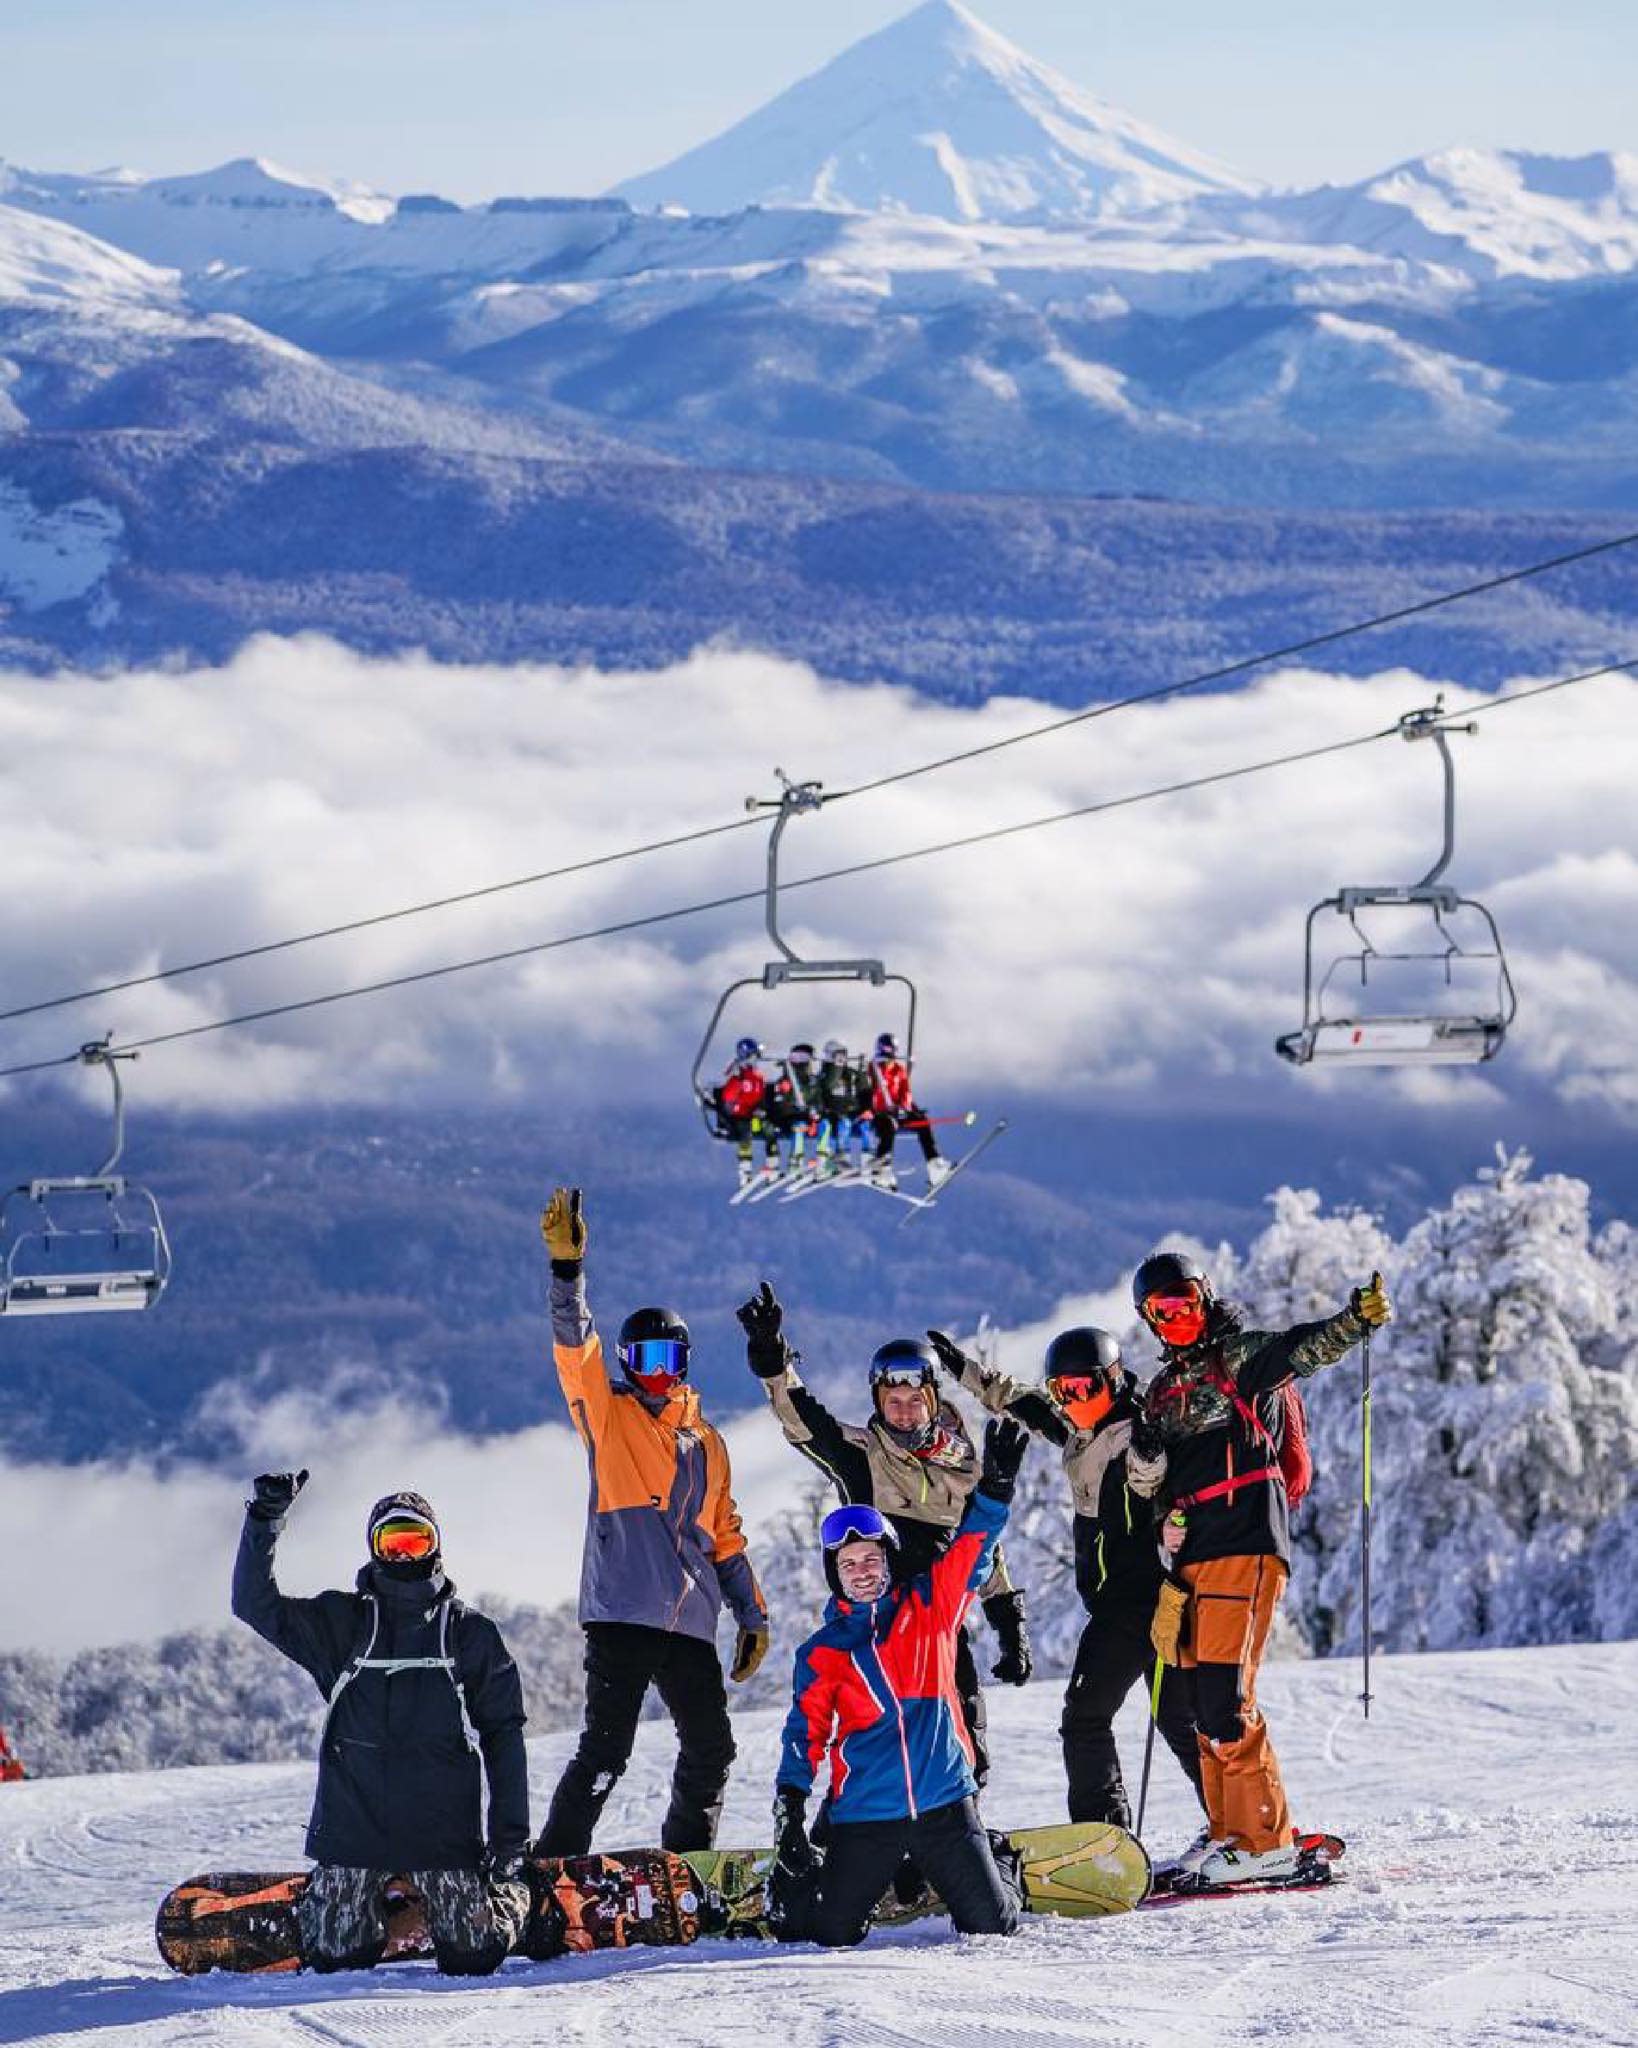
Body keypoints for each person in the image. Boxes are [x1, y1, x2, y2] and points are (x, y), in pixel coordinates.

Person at [1127, 1248, 1392, 1885]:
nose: (1179, 1317)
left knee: (1225, 1699)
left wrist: (1355, 1320)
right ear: (1151, 1321)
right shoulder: (1162, 1392)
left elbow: (1305, 1348)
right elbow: (1152, 1485)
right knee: (1196, 1702)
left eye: (1187, 1301)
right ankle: (1229, 1832)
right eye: (1164, 1310)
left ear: (1205, 1297)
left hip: (1244, 1544)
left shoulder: (1238, 1358)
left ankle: (1262, 1839)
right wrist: (1153, 1479)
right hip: (1191, 1558)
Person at [536, 1186, 769, 1856]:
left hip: (690, 1621)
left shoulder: (710, 1444)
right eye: (643, 1362)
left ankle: (686, 1863)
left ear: (685, 1364)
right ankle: (551, 1867)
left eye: (667, 1362)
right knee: (606, 1751)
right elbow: (574, 1352)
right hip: (622, 1612)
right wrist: (567, 1274)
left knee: (712, 1749)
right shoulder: (608, 1417)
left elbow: (724, 1535)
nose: (656, 1376)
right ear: (627, 1366)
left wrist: (750, 1615)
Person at [230, 1474, 531, 1975]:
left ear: (435, 1546)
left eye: (416, 1540)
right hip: (354, 1833)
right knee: (337, 1958)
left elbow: (505, 1737)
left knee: (473, 1958)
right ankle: (340, 1898)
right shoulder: (340, 1624)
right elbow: (253, 1605)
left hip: (442, 1835)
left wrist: (509, 1847)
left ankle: (510, 1894)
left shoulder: (468, 1632)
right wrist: (265, 1520)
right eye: (393, 1542)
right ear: (374, 1549)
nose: (405, 1555)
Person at [738, 1284, 1033, 1788]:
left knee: (961, 1739)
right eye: (891, 1401)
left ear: (933, 1401)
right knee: (876, 1741)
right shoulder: (862, 1456)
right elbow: (802, 1419)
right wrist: (771, 1354)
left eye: (913, 1401)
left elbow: (984, 1548)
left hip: (937, 1625)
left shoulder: (962, 1466)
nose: (902, 1412)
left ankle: (960, 1837)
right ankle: (856, 1837)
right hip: (875, 1627)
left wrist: (1010, 1629)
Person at [926, 1325, 1205, 1839]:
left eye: (1084, 1388)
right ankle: (1234, 1821)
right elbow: (1022, 1401)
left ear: (1114, 1379)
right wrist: (963, 1369)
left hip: (1136, 1598)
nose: (1073, 1400)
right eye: (1064, 1391)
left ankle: (1103, 1836)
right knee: (1180, 1722)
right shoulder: (1081, 1429)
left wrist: (1146, 1449)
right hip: (1130, 1599)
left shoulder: (1133, 1428)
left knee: (1085, 1717)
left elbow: (1149, 1473)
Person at [771, 1419, 1032, 1947]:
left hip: (943, 1803)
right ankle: (848, 1867)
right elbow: (806, 1733)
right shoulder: (822, 1652)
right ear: (835, 1574)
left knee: (991, 1925)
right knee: (828, 1933)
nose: (862, 1571)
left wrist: (993, 1492)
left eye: (870, 1559)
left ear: (888, 1561)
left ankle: (994, 1853)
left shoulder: (931, 1607)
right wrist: (791, 1808)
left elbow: (971, 1551)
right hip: (868, 1813)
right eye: (848, 1564)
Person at [868, 1032, 950, 1192]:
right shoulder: (874, 1068)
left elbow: (906, 1092)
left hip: (899, 1112)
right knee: (888, 1126)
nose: (889, 1051)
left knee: (923, 1121)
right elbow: (873, 1091)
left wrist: (904, 1108)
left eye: (892, 1048)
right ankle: (882, 1169)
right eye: (886, 1048)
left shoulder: (899, 1070)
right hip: (880, 1114)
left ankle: (934, 1164)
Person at [710, 1037, 778, 1188]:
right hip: (740, 1116)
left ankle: (772, 1166)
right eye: (753, 1056)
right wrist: (737, 1083)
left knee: (770, 1130)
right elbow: (728, 1097)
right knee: (745, 1133)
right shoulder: (737, 1075)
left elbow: (760, 1096)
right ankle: (745, 1171)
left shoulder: (757, 1076)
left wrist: (760, 1109)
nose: (755, 1060)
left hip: (754, 1115)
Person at [765, 1041, 824, 1177]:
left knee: (822, 1126)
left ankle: (823, 1159)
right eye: (796, 1057)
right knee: (792, 1127)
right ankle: (790, 1160)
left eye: (803, 1058)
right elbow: (776, 1103)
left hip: (805, 1119)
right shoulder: (784, 1081)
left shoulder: (812, 1083)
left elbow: (819, 1102)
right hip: (786, 1119)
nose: (799, 1061)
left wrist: (815, 1113)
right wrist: (783, 1094)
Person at [815, 1038, 869, 1174]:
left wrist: (862, 1071)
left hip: (847, 1113)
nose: (841, 1059)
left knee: (850, 1124)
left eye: (842, 1055)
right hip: (829, 1114)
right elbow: (828, 1085)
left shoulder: (849, 1074)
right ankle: (825, 1161)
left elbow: (863, 1089)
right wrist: (836, 1067)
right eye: (837, 1055)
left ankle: (847, 1158)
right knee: (826, 1125)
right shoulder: (824, 1074)